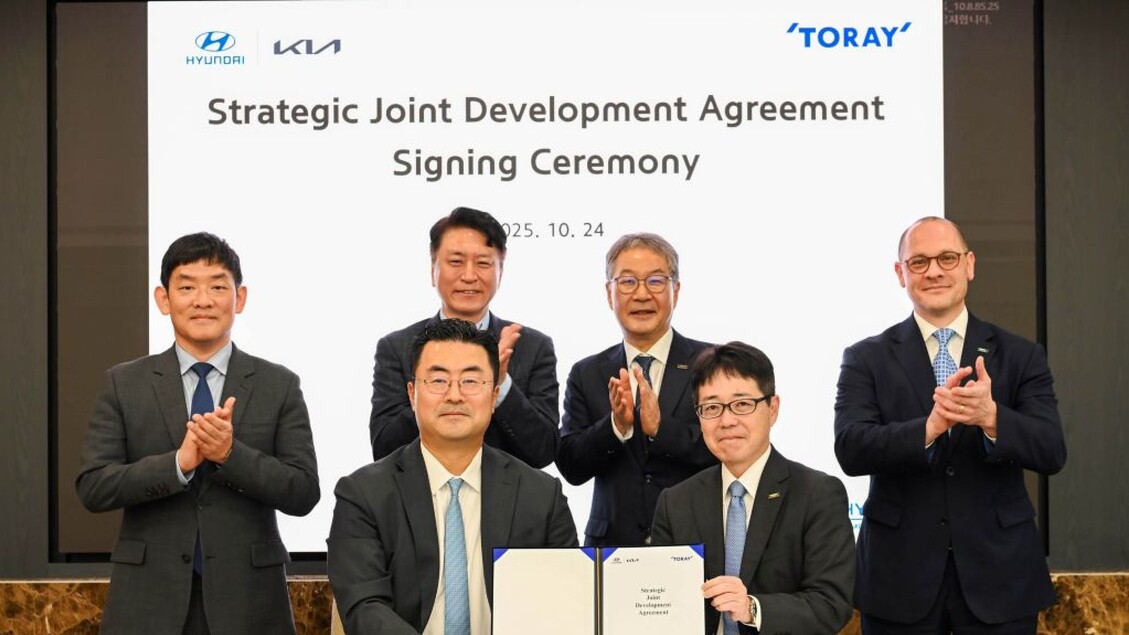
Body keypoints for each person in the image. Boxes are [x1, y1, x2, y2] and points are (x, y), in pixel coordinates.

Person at [75, 232, 320, 634]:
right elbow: (94, 486)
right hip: (148, 601)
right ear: (163, 299)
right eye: (187, 287)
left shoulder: (279, 384)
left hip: (249, 603)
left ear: (239, 298)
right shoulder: (124, 383)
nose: (203, 300)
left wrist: (230, 455)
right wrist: (177, 464)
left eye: (218, 287)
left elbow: (303, 491)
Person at [834, 216, 1067, 633]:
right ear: (900, 273)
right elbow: (851, 448)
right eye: (919, 262)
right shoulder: (866, 357)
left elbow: (1051, 449)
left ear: (969, 264)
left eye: (947, 258)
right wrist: (928, 429)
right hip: (898, 580)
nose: (934, 271)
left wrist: (991, 418)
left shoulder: (1021, 355)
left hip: (1001, 578)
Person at [329, 319, 578, 634]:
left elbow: (564, 602)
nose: (455, 395)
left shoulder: (542, 497)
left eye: (471, 381)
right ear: (412, 393)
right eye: (438, 380)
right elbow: (365, 607)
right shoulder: (363, 494)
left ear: (494, 396)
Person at [651, 341, 855, 635]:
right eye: (712, 407)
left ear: (773, 409)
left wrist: (752, 608)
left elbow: (831, 604)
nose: (727, 420)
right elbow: (663, 602)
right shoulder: (676, 502)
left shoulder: (818, 494)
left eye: (742, 404)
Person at [557, 232, 716, 546]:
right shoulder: (587, 373)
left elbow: (728, 448)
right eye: (628, 282)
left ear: (676, 290)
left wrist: (661, 429)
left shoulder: (711, 364)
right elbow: (571, 466)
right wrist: (615, 427)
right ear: (609, 293)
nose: (642, 294)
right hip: (612, 547)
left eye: (655, 281)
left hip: (693, 543)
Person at [368, 206, 559, 468]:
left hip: (506, 493)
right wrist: (432, 387)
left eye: (483, 263)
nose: (469, 276)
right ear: (433, 269)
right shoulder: (396, 347)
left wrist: (500, 384)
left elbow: (544, 451)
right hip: (421, 491)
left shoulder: (532, 346)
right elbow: (384, 448)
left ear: (500, 272)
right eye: (456, 262)